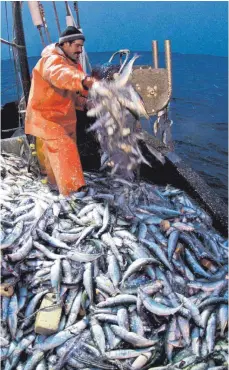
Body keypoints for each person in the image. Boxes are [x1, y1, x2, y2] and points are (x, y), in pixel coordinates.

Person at [25, 26, 96, 196]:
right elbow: (61, 75)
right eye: (77, 45)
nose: (80, 50)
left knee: (53, 160)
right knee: (65, 152)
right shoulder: (51, 61)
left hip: (64, 117)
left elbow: (74, 91)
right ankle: (74, 194)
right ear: (65, 44)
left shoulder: (73, 64)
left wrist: (86, 102)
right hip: (48, 118)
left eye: (81, 46)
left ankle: (53, 185)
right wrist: (84, 80)